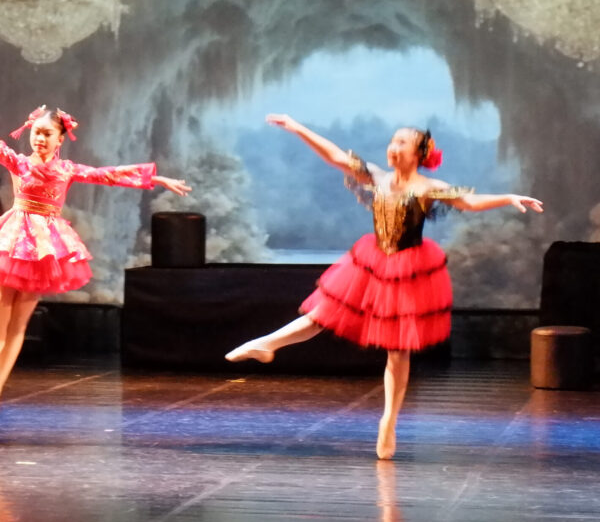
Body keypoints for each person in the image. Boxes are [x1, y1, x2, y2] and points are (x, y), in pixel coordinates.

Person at [226, 114, 543, 458]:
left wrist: (508, 197)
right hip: (373, 263)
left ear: (419, 153)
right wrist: (298, 127)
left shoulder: (427, 188)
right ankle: (266, 344)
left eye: (402, 142)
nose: (394, 146)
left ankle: (389, 421)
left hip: (409, 270)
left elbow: (469, 202)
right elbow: (336, 157)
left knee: (398, 349)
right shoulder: (377, 176)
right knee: (322, 315)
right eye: (393, 140)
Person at [0, 76, 192, 422]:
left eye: (47, 134)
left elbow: (107, 175)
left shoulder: (67, 170)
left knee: (18, 324)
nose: (39, 139)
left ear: (60, 139)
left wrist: (153, 178)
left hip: (45, 249)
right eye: (36, 132)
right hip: (14, 241)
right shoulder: (19, 162)